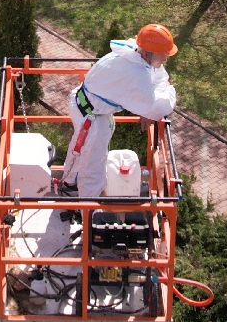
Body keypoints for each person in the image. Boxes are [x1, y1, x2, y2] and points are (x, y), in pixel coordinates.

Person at [60, 23, 178, 195]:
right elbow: (160, 105)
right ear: (147, 53)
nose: (165, 59)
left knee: (82, 151)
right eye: (163, 55)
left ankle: (71, 184)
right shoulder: (135, 74)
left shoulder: (133, 51)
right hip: (91, 119)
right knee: (93, 167)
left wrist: (148, 108)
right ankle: (86, 208)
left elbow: (158, 76)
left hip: (89, 109)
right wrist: (155, 105)